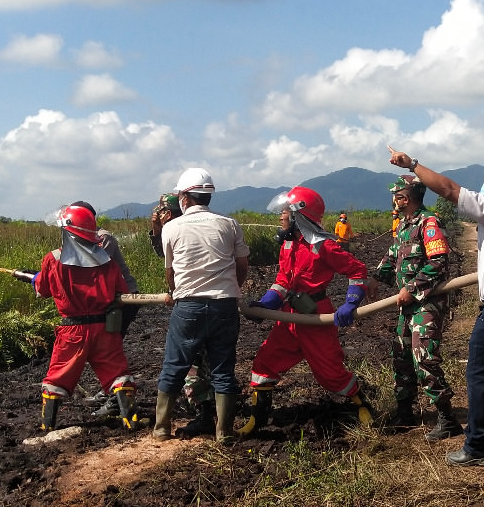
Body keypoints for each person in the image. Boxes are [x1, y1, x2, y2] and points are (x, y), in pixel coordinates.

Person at [386, 148, 484, 467]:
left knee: (480, 377)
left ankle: (477, 447)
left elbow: (448, 189)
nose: (483, 186)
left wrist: (413, 165)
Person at [246, 185, 371, 430]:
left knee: (330, 374)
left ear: (298, 216)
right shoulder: (288, 245)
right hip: (289, 316)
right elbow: (283, 280)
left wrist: (351, 303)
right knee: (265, 361)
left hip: (316, 316)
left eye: (285, 212)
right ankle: (256, 418)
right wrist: (267, 303)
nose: (281, 217)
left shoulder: (323, 246)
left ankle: (361, 402)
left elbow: (358, 271)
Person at [155, 167, 249, 443]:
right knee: (223, 368)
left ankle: (161, 428)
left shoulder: (171, 228)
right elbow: (241, 266)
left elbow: (170, 272)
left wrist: (176, 291)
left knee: (175, 365)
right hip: (224, 306)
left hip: (188, 307)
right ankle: (224, 432)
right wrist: (232, 288)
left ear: (184, 197)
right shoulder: (229, 225)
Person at [30, 204, 138, 432]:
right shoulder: (107, 261)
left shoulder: (53, 259)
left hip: (72, 331)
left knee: (58, 376)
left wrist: (35, 279)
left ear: (67, 230)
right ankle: (131, 420)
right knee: (117, 373)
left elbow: (43, 291)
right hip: (104, 328)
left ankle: (47, 427)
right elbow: (120, 291)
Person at [372, 174, 456, 436]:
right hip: (406, 306)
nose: (393, 201)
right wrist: (373, 278)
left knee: (425, 358)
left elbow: (438, 261)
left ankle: (447, 417)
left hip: (426, 304)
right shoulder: (404, 226)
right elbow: (392, 257)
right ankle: (405, 413)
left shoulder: (428, 223)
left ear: (404, 198)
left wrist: (411, 288)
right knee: (402, 357)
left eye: (395, 196)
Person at [149, 193, 181, 257]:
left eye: (160, 213)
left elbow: (163, 254)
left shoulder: (174, 232)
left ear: (168, 214)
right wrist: (157, 229)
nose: (158, 216)